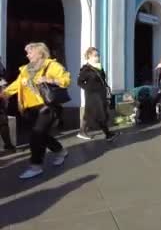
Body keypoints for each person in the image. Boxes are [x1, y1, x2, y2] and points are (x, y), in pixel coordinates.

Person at [1, 42, 70, 179]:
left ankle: (35, 166)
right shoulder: (26, 69)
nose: (27, 55)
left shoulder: (51, 65)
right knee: (41, 135)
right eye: (27, 52)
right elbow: (17, 84)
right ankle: (60, 151)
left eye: (30, 52)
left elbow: (66, 80)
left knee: (36, 135)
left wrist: (49, 79)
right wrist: (4, 93)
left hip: (46, 106)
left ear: (40, 53)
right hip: (29, 108)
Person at [76, 47, 119, 141]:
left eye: (98, 55)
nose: (97, 57)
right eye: (95, 56)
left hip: (101, 93)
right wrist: (89, 89)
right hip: (92, 95)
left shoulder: (99, 67)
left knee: (93, 113)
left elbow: (103, 80)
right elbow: (79, 82)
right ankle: (107, 134)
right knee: (98, 113)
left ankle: (83, 131)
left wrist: (107, 89)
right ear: (89, 56)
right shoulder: (86, 69)